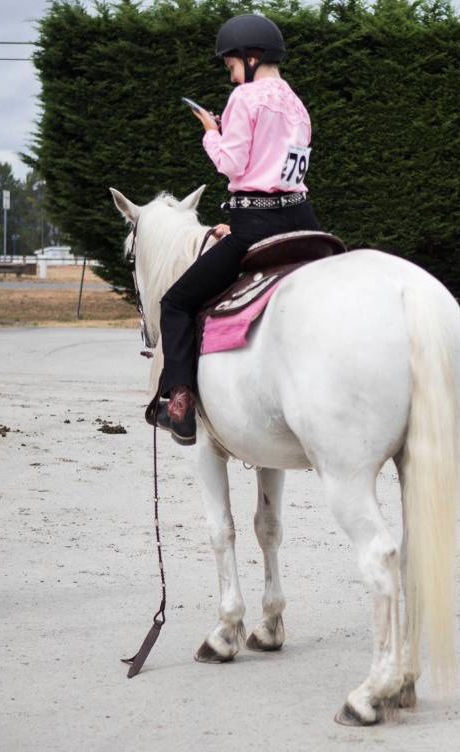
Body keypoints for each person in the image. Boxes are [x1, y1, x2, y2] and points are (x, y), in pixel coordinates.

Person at [156, 13, 321, 445]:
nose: (231, 77)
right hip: (303, 219)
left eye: (230, 66)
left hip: (256, 226)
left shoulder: (244, 100)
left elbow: (232, 164)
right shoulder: (298, 104)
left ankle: (179, 404)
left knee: (175, 303)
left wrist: (212, 133)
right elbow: (282, 166)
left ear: (250, 58)